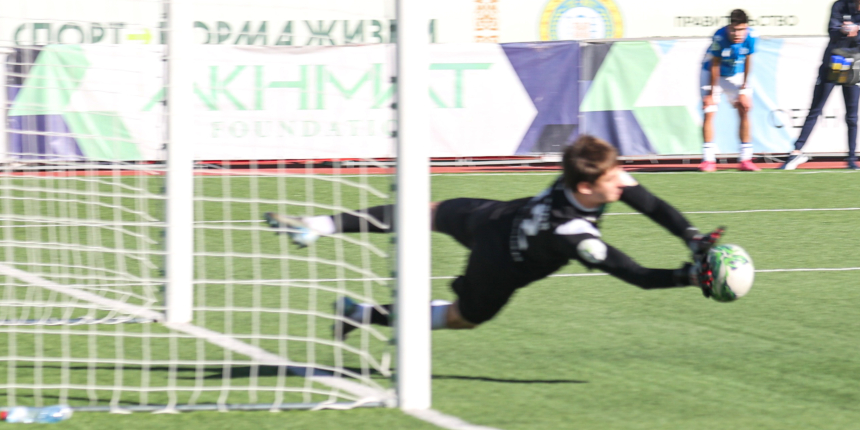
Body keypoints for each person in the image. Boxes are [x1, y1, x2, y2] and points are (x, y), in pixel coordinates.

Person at [264, 135, 725, 338]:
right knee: (462, 319)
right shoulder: (575, 233)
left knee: (425, 214)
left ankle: (319, 225)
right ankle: (363, 313)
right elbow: (635, 275)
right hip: (498, 266)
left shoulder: (587, 178)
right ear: (587, 188)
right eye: (611, 179)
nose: (620, 182)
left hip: (493, 216)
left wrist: (692, 238)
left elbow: (651, 205)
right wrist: (687, 277)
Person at [782, 0, 860, 171]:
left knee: (852, 116)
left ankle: (852, 159)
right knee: (816, 109)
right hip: (832, 64)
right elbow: (831, 30)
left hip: (852, 69)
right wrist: (843, 31)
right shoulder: (840, 6)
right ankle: (796, 152)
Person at [700, 9, 759, 172]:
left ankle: (746, 159)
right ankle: (708, 160)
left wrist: (744, 89)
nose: (737, 34)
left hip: (736, 74)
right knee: (709, 110)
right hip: (713, 73)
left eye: (741, 29)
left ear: (746, 27)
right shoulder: (719, 37)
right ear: (728, 27)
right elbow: (715, 64)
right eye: (733, 29)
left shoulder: (752, 37)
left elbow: (748, 61)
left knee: (744, 109)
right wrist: (711, 94)